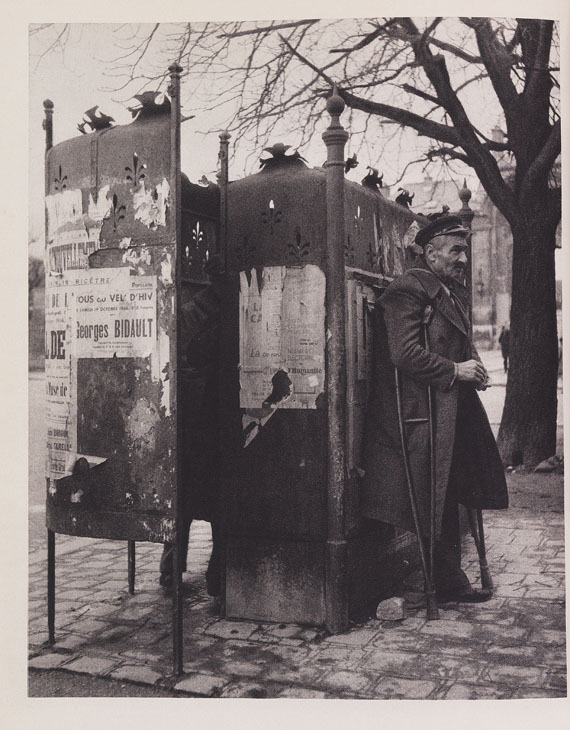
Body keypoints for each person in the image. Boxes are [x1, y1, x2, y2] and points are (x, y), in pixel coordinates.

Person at [362, 215, 508, 604]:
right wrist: (455, 371)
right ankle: (445, 579)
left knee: (464, 482)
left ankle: (449, 577)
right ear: (430, 252)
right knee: (435, 492)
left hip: (452, 405)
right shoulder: (408, 291)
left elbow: (462, 341)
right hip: (420, 410)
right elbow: (404, 353)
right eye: (455, 249)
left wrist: (473, 366)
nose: (463, 258)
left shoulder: (450, 290)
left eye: (464, 249)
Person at [159, 256, 224, 599]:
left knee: (192, 499)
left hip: (203, 419)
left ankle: (186, 567)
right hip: (201, 419)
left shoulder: (197, 309)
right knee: (201, 499)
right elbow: (184, 363)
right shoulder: (199, 312)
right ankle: (203, 571)